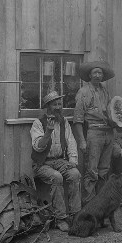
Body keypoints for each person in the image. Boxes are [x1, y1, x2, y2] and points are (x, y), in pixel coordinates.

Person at [30, 91, 81, 232]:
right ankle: (61, 218)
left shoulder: (64, 122)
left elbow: (71, 141)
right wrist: (47, 132)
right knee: (56, 177)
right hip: (42, 163)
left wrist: (73, 160)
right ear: (48, 106)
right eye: (54, 104)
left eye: (60, 104)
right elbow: (38, 147)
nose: (58, 107)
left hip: (60, 160)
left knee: (75, 174)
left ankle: (76, 215)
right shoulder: (38, 123)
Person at [72, 60, 121, 205]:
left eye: (100, 73)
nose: (98, 75)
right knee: (91, 171)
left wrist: (117, 122)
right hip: (93, 132)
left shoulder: (105, 91)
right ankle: (89, 205)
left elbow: (112, 112)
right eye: (95, 73)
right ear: (89, 75)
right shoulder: (83, 92)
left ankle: (101, 204)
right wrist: (82, 140)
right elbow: (78, 119)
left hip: (108, 133)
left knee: (104, 170)